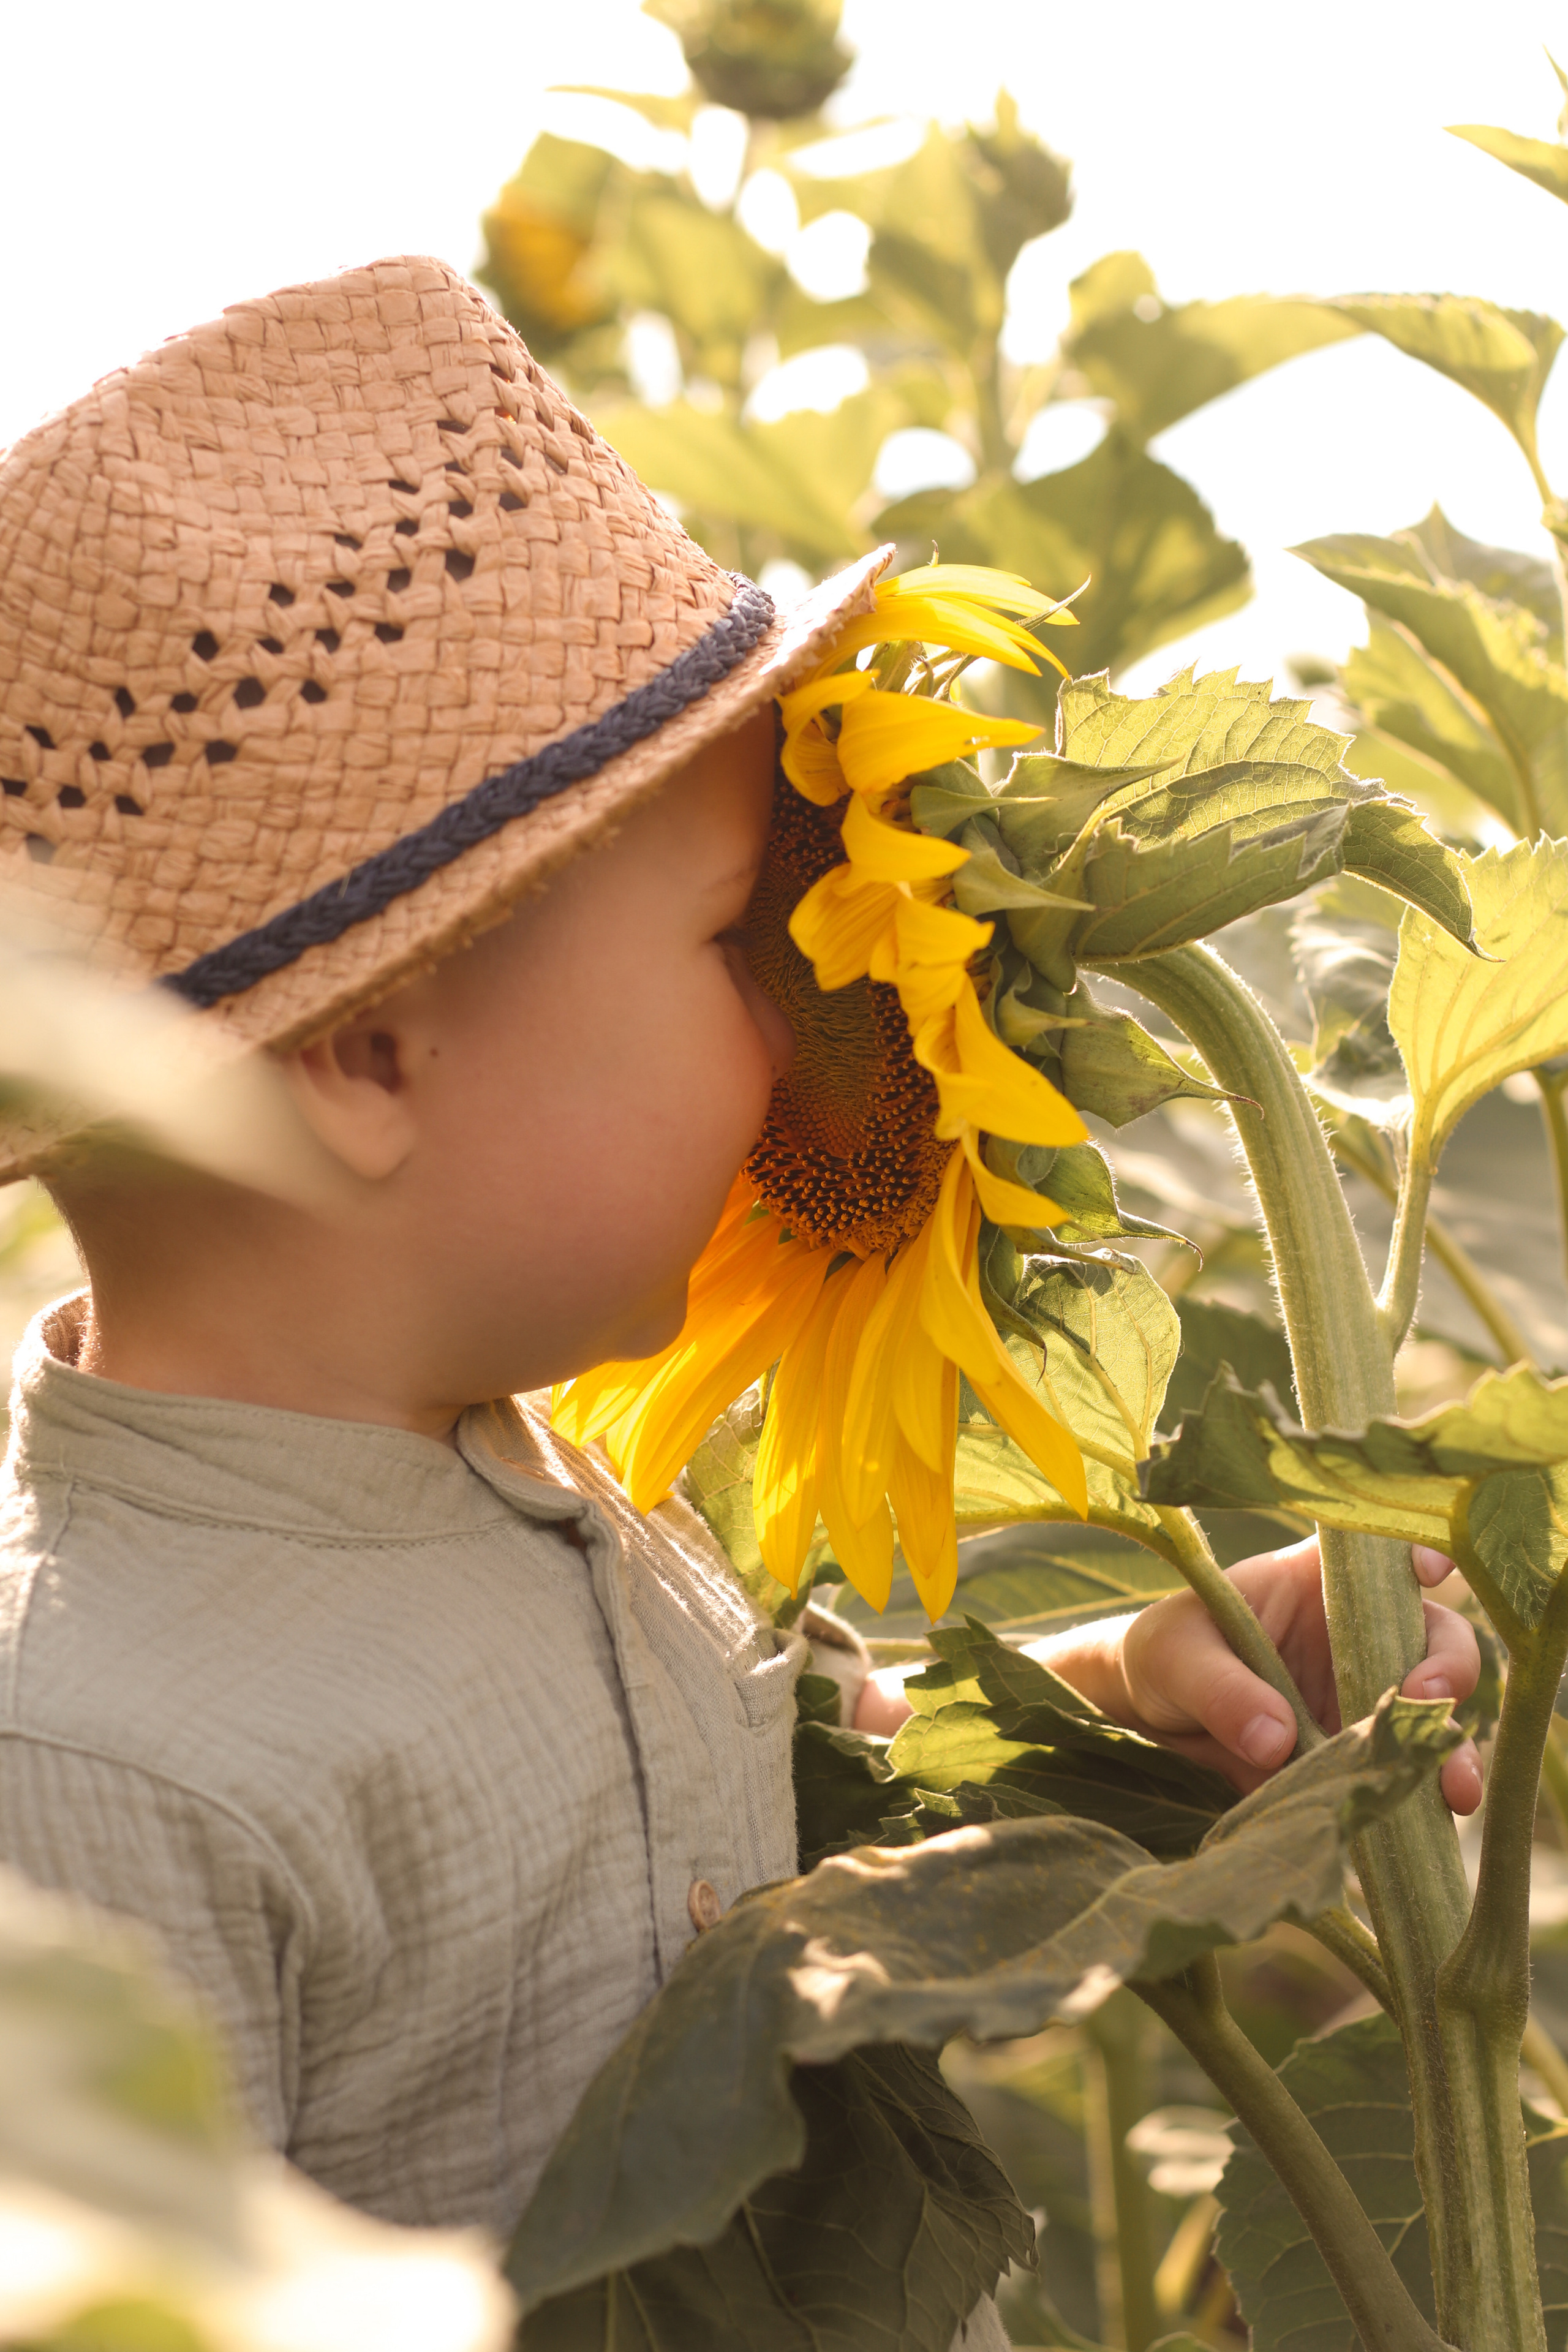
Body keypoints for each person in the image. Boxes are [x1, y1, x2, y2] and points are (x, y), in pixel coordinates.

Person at [0, 258, 1480, 2345]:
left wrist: (1136, 1678)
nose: (810, 1029)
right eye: (736, 942)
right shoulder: (97, 1774)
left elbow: (770, 1785)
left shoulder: (526, 1462)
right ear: (371, 1060)